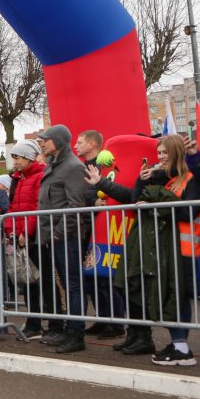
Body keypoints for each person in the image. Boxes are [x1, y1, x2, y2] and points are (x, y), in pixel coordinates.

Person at [92, 134, 200, 365]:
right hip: (163, 249)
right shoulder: (160, 178)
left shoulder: (190, 178)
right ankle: (178, 344)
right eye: (159, 152)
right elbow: (136, 202)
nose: (161, 157)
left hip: (182, 249)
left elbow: (188, 211)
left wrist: (156, 207)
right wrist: (141, 181)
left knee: (177, 297)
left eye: (165, 153)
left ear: (176, 153)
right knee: (167, 296)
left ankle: (182, 348)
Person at [36, 124, 88, 354]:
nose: (42, 143)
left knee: (73, 285)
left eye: (46, 139)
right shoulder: (56, 165)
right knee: (67, 284)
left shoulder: (73, 167)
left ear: (58, 140)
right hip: (56, 236)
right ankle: (70, 329)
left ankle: (76, 334)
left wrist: (57, 233)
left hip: (67, 236)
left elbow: (74, 206)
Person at [76, 129, 125, 339]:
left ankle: (116, 323)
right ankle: (102, 318)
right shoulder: (82, 167)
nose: (76, 145)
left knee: (106, 278)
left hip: (103, 227)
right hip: (88, 226)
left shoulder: (105, 165)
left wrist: (96, 202)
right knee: (92, 277)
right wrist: (91, 201)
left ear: (92, 144)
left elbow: (112, 190)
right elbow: (82, 195)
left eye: (80, 142)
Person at [3, 140, 49, 340]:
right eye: (13, 158)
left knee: (40, 280)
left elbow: (36, 206)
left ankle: (45, 322)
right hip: (19, 236)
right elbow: (13, 207)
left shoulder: (40, 176)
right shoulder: (18, 178)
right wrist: (10, 230)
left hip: (33, 237)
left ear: (30, 158)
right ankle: (33, 321)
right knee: (27, 280)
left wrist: (26, 233)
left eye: (18, 158)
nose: (15, 162)